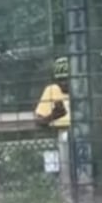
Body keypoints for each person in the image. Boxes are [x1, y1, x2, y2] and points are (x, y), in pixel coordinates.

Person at [34, 56, 71, 184]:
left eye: (67, 79)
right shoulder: (52, 90)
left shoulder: (83, 88)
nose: (64, 83)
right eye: (61, 80)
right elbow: (39, 120)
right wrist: (54, 115)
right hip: (57, 137)